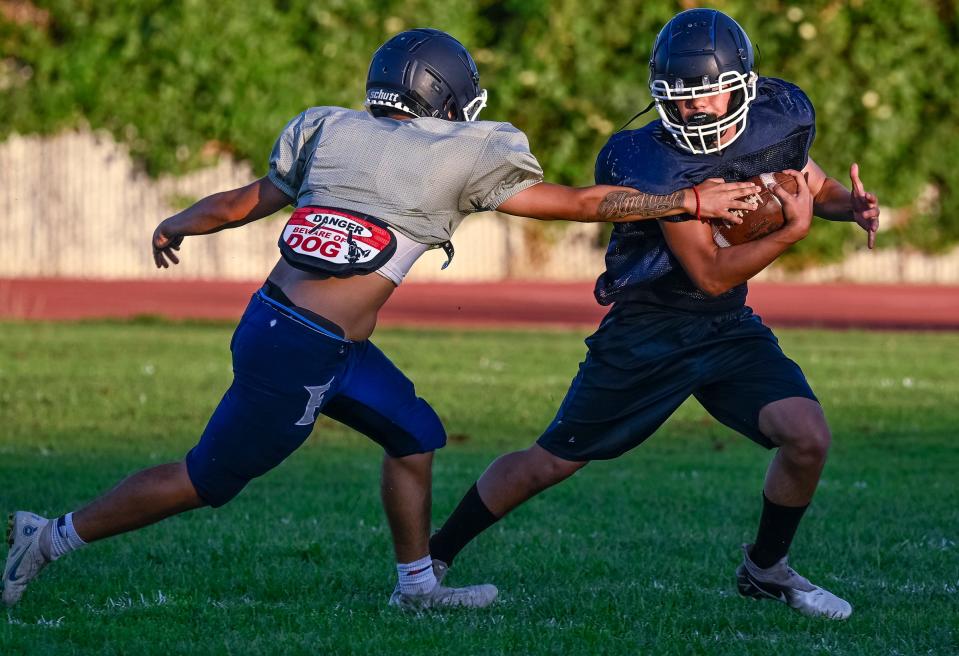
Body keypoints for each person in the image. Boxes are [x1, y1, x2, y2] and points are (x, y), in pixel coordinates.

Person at [3, 28, 757, 610]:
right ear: (449, 95)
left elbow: (243, 200)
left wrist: (180, 223)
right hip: (298, 351)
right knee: (206, 480)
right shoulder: (464, 152)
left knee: (414, 435)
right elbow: (584, 203)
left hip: (306, 336)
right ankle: (51, 537)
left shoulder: (332, 130)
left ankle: (416, 586)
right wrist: (690, 200)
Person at [428, 10, 880, 620]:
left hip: (724, 324)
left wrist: (846, 205)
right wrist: (791, 235)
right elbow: (710, 270)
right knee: (551, 461)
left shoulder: (780, 113)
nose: (694, 111)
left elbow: (807, 181)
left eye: (707, 95)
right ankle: (433, 559)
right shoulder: (651, 160)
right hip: (650, 329)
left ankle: (766, 570)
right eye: (679, 100)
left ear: (744, 85)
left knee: (806, 437)